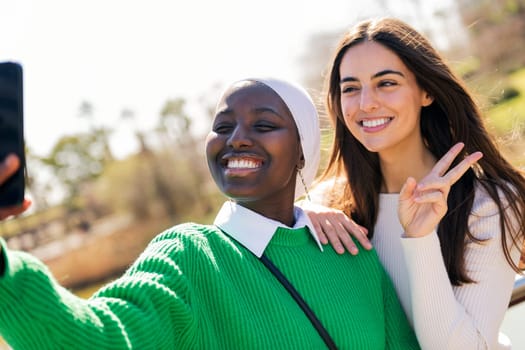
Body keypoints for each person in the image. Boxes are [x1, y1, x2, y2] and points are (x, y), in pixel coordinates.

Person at [0, 78, 420, 349]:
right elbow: (99, 338)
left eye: (263, 125)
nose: (236, 139)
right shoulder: (191, 259)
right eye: (223, 126)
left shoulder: (353, 253)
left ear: (301, 150)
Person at [303, 17, 525, 349]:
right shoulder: (329, 205)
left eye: (386, 83)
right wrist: (303, 212)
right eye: (350, 88)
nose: (366, 103)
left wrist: (419, 239)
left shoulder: (490, 203)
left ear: (426, 91)